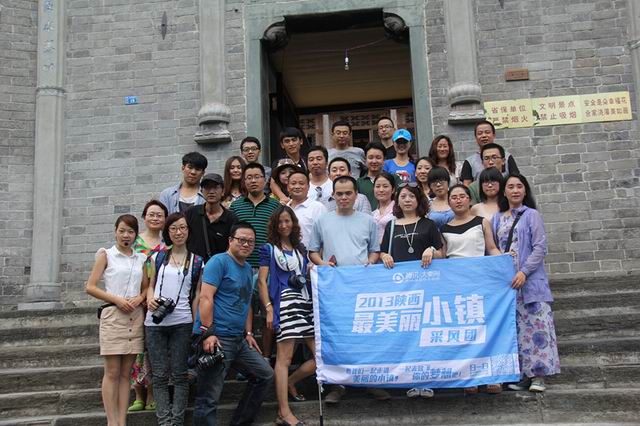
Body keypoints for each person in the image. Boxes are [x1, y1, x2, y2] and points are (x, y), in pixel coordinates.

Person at [309, 175, 389, 403]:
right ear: (333, 195)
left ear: (356, 195)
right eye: (339, 193)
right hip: (334, 290)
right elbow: (313, 251)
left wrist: (370, 263)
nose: (343, 197)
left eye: (348, 193)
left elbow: (375, 250)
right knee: (338, 336)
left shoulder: (368, 221)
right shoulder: (322, 221)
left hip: (363, 288)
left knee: (365, 335)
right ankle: (338, 385)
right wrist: (323, 264)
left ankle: (370, 382)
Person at [192, 222, 274, 426]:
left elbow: (246, 303)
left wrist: (248, 333)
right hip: (218, 337)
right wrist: (208, 332)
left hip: (238, 339)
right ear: (230, 240)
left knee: (265, 375)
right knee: (208, 397)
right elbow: (205, 298)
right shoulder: (218, 262)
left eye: (251, 242)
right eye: (241, 240)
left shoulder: (247, 269)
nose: (246, 244)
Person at [493, 174, 560, 393]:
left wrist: (524, 271)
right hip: (508, 285)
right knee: (517, 332)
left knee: (537, 328)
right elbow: (493, 248)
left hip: (530, 283)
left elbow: (540, 247)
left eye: (519, 186)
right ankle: (524, 375)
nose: (515, 190)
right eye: (510, 187)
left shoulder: (532, 215)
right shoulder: (497, 218)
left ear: (525, 191)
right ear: (504, 192)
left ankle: (539, 376)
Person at [379, 182, 444, 400]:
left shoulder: (428, 224)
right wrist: (384, 256)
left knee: (425, 334)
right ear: (397, 201)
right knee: (406, 335)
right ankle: (410, 380)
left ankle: (427, 380)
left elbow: (442, 253)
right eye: (403, 196)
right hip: (400, 290)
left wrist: (431, 250)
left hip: (427, 287)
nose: (407, 200)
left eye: (412, 197)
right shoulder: (391, 226)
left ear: (419, 200)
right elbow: (381, 253)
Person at [85, 214, 148, 426]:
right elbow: (90, 286)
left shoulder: (140, 259)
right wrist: (116, 300)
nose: (126, 235)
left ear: (136, 235)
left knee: (126, 373)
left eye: (130, 231)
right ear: (115, 231)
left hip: (135, 316)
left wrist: (139, 298)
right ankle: (112, 422)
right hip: (113, 315)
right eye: (122, 231)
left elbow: (145, 288)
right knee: (112, 372)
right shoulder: (106, 255)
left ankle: (122, 421)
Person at [258, 206, 315, 426]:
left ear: (293, 223)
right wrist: (269, 308)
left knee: (321, 357)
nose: (284, 225)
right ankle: (283, 412)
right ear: (274, 224)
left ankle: (291, 381)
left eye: (287, 221)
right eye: (280, 221)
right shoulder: (268, 249)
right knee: (284, 358)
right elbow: (262, 281)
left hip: (304, 302)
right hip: (284, 303)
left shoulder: (300, 248)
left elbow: (305, 273)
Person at [145, 213, 203, 426]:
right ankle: (164, 421)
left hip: (182, 321)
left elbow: (197, 295)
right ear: (167, 232)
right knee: (159, 375)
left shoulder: (197, 261)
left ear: (188, 231)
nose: (179, 232)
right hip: (154, 322)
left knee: (180, 375)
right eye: (174, 228)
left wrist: (196, 323)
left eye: (183, 228)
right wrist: (150, 299)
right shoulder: (157, 257)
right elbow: (149, 285)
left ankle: (177, 421)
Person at [230, 163, 281, 361]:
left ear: (265, 180)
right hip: (241, 266)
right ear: (243, 181)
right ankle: (246, 357)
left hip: (267, 269)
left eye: (257, 177)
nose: (253, 181)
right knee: (243, 311)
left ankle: (266, 357)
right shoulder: (236, 206)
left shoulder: (275, 206)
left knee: (267, 311)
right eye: (249, 177)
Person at [128, 200, 168, 413]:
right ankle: (137, 393)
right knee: (137, 348)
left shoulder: (168, 244)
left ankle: (152, 392)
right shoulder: (134, 242)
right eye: (151, 214)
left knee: (153, 348)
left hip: (158, 303)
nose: (155, 218)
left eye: (159, 215)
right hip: (136, 301)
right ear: (144, 217)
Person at [184, 173, 237, 263]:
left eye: (216, 187)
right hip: (193, 266)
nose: (211, 191)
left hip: (219, 267)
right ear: (201, 191)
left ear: (223, 191)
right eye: (207, 187)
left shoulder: (231, 218)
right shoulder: (191, 213)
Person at [460, 120, 519, 185]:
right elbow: (466, 186)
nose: (484, 136)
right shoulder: (470, 161)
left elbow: (516, 180)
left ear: (494, 135)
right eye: (480, 133)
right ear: (476, 137)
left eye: (487, 132)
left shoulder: (507, 157)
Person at [286, 169, 327, 248]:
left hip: (312, 255)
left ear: (308, 187)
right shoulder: (284, 209)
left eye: (301, 183)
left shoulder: (318, 208)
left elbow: (325, 236)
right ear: (288, 187)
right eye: (293, 183)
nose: (297, 187)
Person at [358, 142, 399, 209]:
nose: (374, 161)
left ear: (384, 159)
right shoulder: (359, 182)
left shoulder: (394, 179)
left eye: (378, 157)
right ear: (365, 159)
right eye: (370, 158)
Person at [271, 128, 307, 203]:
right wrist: (283, 198)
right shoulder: (278, 162)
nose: (291, 144)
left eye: (294, 140)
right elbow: (273, 183)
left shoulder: (307, 161)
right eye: (287, 141)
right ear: (282, 145)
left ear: (301, 141)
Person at [372, 172, 396, 245]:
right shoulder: (372, 213)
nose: (381, 190)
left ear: (393, 189)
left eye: (385, 186)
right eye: (377, 186)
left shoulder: (398, 210)